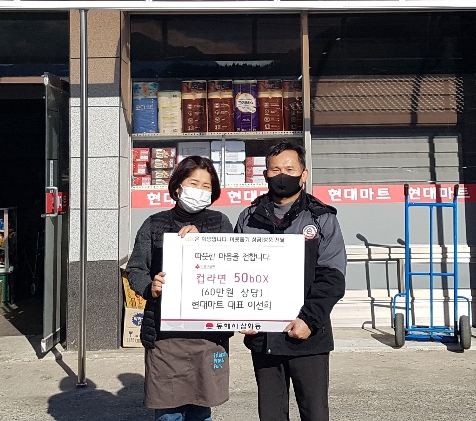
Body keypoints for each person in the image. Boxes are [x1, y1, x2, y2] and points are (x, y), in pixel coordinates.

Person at [234, 142, 346, 421]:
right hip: (263, 338)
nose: (282, 175)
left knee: (314, 412)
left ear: (303, 174)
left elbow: (332, 276)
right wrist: (242, 315)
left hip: (308, 335)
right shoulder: (248, 218)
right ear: (265, 175)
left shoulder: (321, 218)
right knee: (270, 414)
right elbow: (235, 272)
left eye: (289, 168)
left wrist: (308, 319)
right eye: (275, 170)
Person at [126, 156, 234, 421]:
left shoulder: (221, 223)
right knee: (169, 412)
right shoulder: (154, 224)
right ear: (178, 187)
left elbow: (233, 267)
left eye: (207, 186)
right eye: (194, 183)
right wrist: (150, 287)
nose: (200, 190)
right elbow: (135, 268)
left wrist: (204, 242)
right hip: (165, 334)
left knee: (201, 409)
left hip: (208, 333)